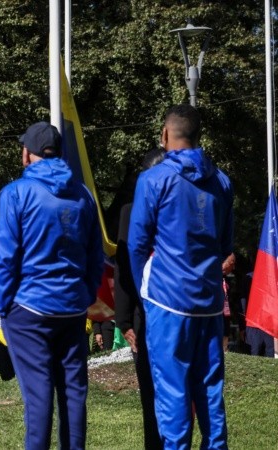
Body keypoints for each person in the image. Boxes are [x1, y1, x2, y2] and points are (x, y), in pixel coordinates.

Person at [0, 122, 104, 450]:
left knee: (38, 396)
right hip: (71, 308)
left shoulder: (15, 193)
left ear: (28, 153)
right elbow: (94, 255)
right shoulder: (82, 194)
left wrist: (3, 304)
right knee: (73, 394)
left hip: (27, 309)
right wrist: (84, 294)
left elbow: (5, 257)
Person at [128, 104, 233, 449]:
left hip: (168, 301)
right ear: (197, 136)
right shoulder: (221, 181)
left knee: (172, 392)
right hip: (209, 302)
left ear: (164, 135)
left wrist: (146, 288)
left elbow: (137, 244)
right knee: (210, 389)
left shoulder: (153, 179)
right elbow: (224, 245)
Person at [114, 147, 165, 450]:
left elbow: (124, 264)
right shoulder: (180, 205)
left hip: (146, 314)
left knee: (153, 393)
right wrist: (124, 318)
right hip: (158, 312)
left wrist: (124, 318)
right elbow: (124, 263)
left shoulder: (132, 211)